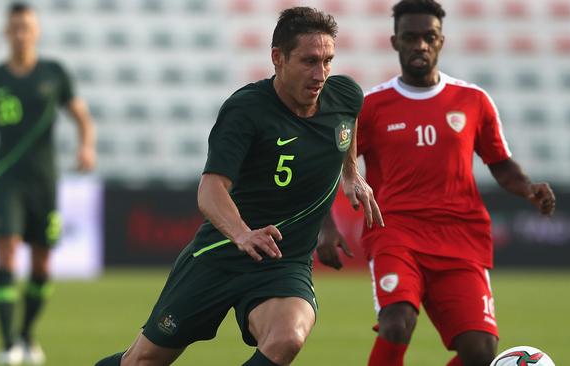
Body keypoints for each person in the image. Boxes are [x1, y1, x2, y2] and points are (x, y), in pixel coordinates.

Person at [95, 6, 383, 366]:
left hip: (284, 262)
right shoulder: (247, 110)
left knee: (287, 338)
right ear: (277, 58)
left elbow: (344, 131)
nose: (321, 73)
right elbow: (210, 190)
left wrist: (351, 174)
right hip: (221, 255)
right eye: (309, 61)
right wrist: (242, 234)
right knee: (142, 361)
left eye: (328, 60)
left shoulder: (345, 96)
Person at [316, 1, 556, 365]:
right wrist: (327, 225)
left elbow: (501, 164)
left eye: (429, 37)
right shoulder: (372, 106)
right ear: (395, 42)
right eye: (411, 37)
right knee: (397, 323)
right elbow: (331, 165)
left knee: (480, 351)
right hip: (396, 232)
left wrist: (527, 188)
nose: (421, 45)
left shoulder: (473, 100)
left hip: (460, 238)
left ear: (441, 40)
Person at [0, 3, 96, 365]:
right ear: (6, 32)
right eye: (15, 27)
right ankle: (8, 343)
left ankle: (27, 333)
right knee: (6, 252)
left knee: (41, 265)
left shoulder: (54, 73)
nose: (20, 33)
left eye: (26, 27)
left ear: (36, 31)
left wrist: (86, 147)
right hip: (6, 180)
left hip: (45, 183)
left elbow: (82, 118)